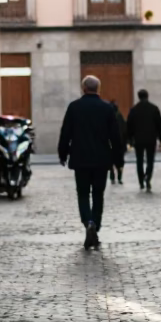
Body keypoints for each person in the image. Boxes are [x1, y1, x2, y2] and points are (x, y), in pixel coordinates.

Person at [57, 75, 124, 250]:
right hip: (102, 160)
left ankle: (88, 222)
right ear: (98, 89)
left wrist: (62, 153)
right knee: (98, 195)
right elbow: (115, 137)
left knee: (83, 193)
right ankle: (95, 224)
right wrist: (118, 160)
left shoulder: (74, 107)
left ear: (83, 88)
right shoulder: (107, 109)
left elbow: (66, 133)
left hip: (80, 159)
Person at [126, 89, 161, 192]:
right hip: (151, 139)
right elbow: (159, 125)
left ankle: (141, 181)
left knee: (139, 161)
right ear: (147, 96)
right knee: (150, 160)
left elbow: (129, 126)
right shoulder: (154, 109)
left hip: (138, 140)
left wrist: (129, 140)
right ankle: (148, 178)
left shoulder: (133, 110)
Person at [108, 100, 127, 185]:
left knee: (111, 162)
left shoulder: (107, 117)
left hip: (110, 144)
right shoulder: (120, 117)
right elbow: (124, 131)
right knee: (120, 163)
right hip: (120, 144)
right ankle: (119, 177)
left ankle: (112, 177)